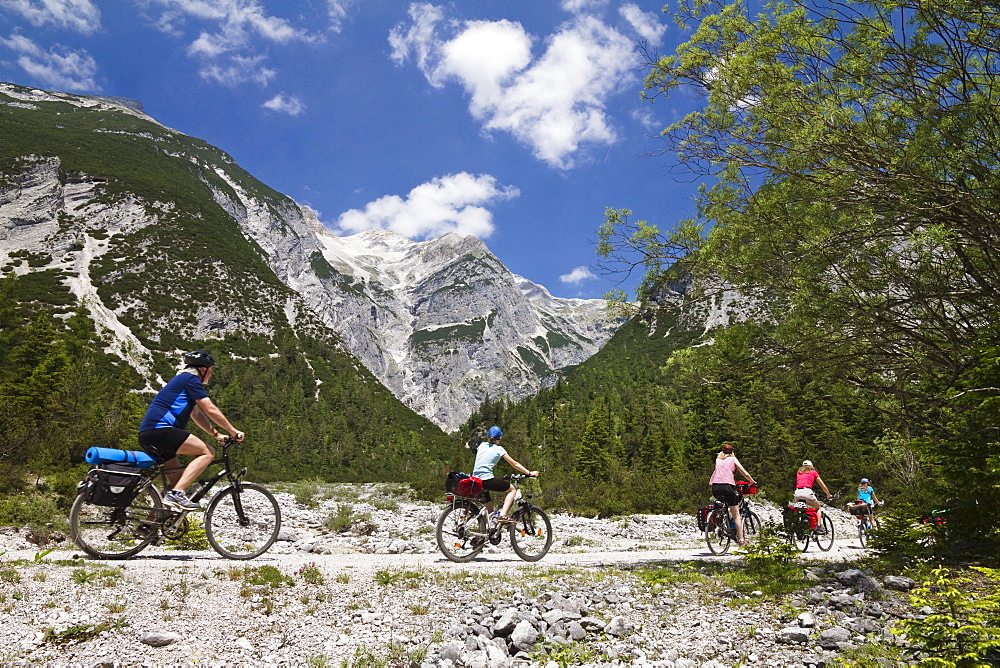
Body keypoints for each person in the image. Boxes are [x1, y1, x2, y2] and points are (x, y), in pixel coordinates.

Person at [138, 350, 243, 511]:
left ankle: (148, 527)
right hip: (161, 430)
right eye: (210, 370)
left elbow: (196, 414)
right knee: (207, 453)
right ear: (202, 370)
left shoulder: (181, 380)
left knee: (175, 483)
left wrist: (216, 434)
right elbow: (210, 409)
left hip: (150, 433)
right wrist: (233, 431)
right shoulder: (190, 379)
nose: (211, 374)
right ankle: (177, 494)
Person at [472, 426, 538, 523]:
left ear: (488, 436)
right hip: (486, 479)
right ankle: (503, 515)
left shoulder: (481, 445)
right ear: (499, 438)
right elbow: (515, 464)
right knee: (512, 490)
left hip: (474, 479)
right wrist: (529, 473)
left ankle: (483, 534)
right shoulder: (499, 449)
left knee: (489, 511)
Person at [708, 442, 757, 545]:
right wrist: (752, 481)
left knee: (724, 505)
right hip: (727, 486)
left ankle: (722, 521)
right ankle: (741, 540)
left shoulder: (718, 460)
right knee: (736, 514)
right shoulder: (733, 459)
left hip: (715, 487)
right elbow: (744, 473)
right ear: (732, 452)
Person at [794, 460, 832, 531]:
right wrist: (828, 494)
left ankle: (798, 523)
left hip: (797, 493)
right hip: (807, 492)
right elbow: (822, 485)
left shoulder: (799, 473)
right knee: (818, 508)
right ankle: (818, 526)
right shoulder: (813, 472)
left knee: (800, 509)